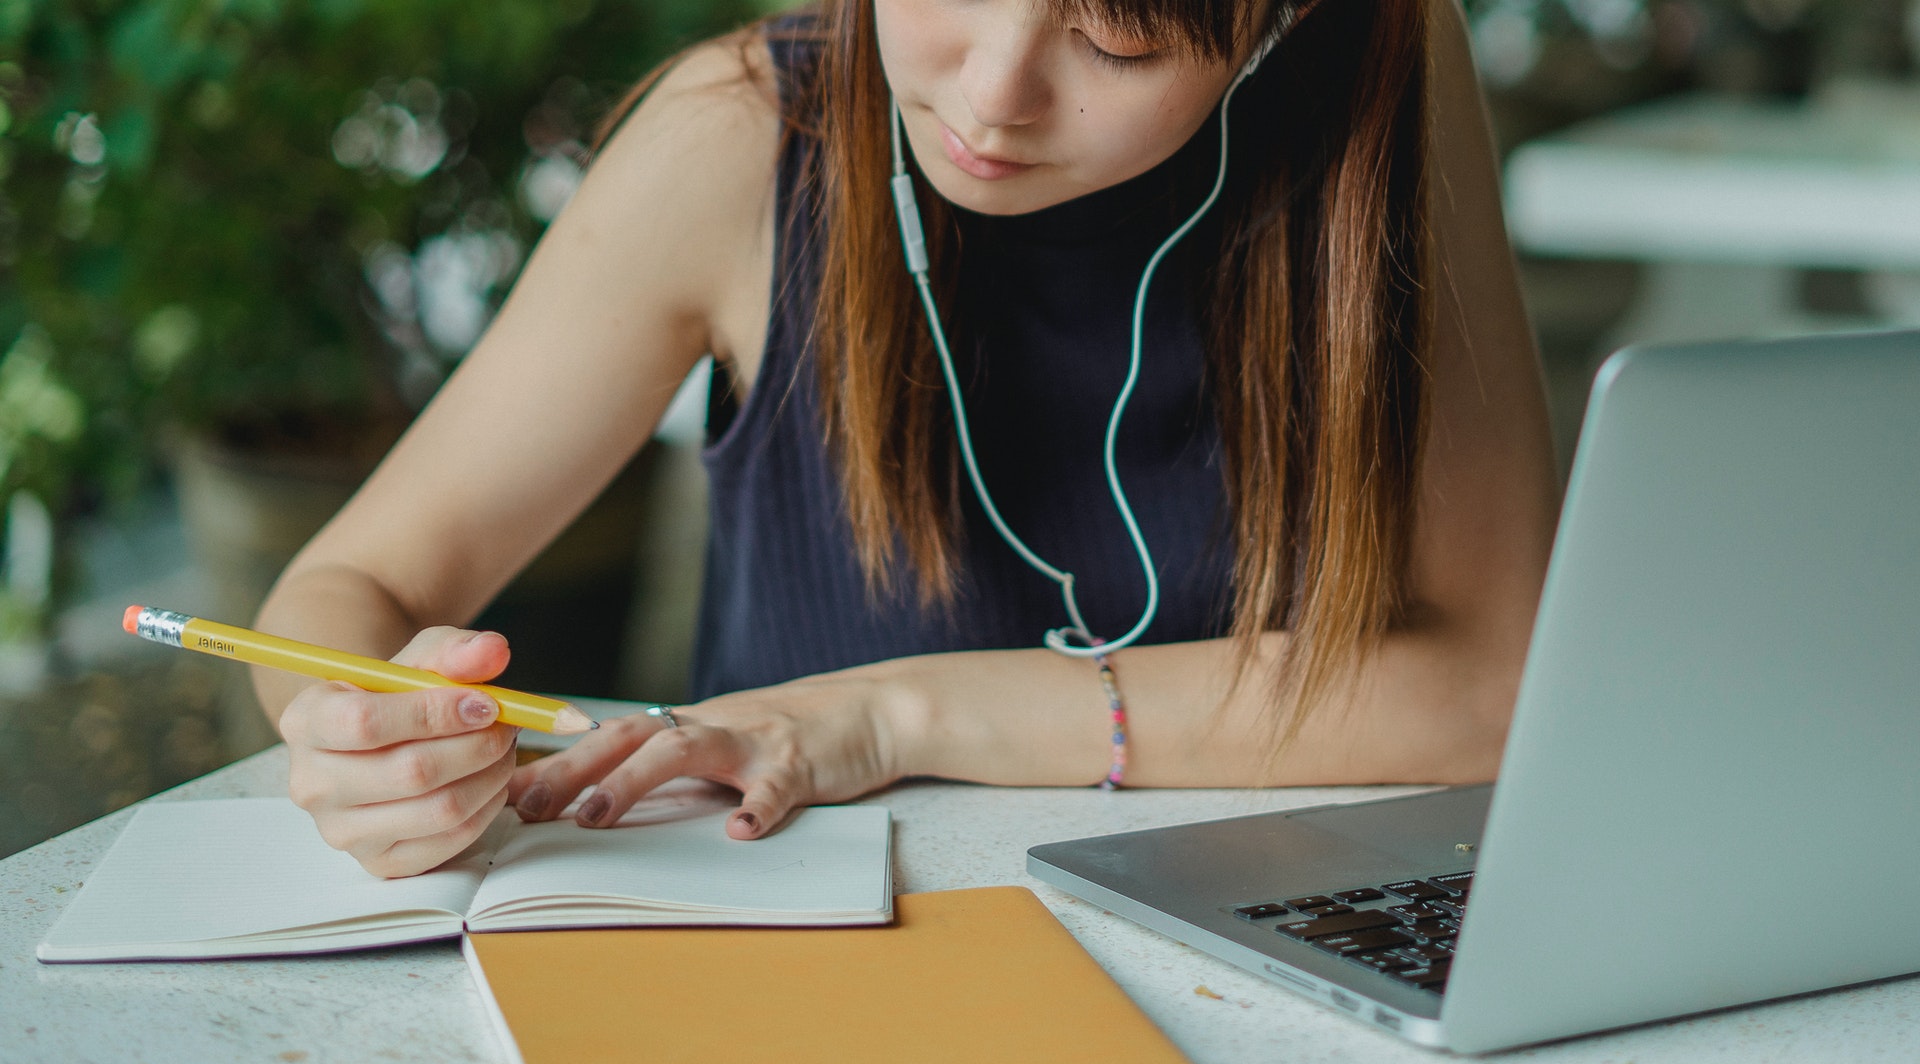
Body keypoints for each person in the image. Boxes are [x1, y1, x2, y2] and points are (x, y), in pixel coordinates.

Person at [255, 0, 1558, 879]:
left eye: (1119, 38)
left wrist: (889, 717)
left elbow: (1492, 692)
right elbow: (350, 587)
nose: (994, 96)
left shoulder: (1375, 87)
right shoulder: (741, 138)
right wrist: (359, 736)